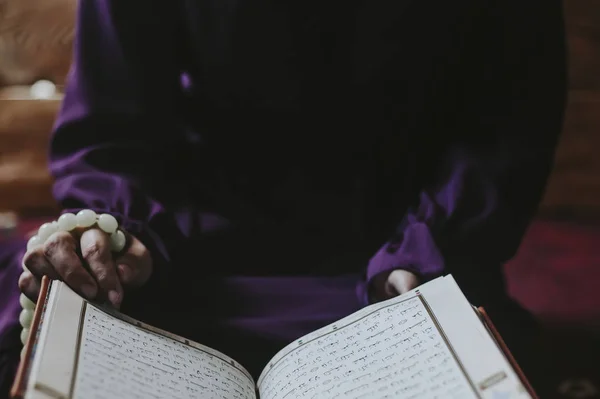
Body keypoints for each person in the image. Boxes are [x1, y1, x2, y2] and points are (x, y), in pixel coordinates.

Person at [1, 0, 566, 394]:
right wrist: (119, 236)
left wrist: (428, 251)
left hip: (390, 274)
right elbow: (112, 124)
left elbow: (504, 125)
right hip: (184, 261)